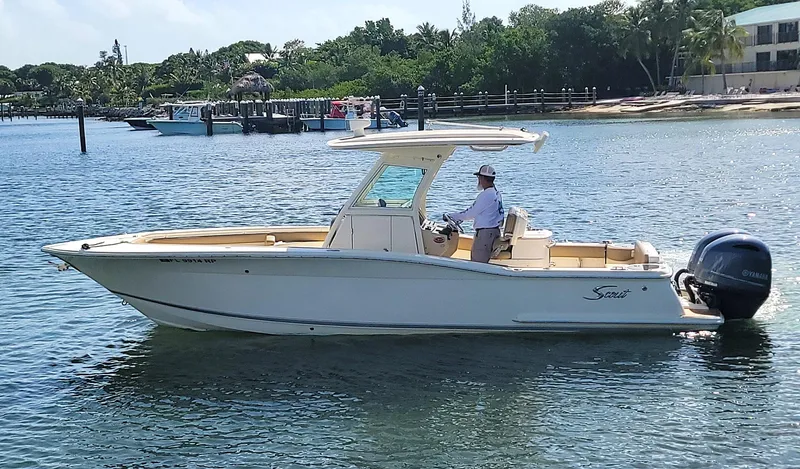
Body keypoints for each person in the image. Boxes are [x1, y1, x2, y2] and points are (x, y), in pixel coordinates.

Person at [446, 165, 504, 263]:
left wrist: (452, 216)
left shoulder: (486, 195)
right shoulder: (496, 193)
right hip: (493, 232)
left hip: (485, 235)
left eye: (479, 177)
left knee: (478, 264)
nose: (478, 180)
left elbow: (470, 214)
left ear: (482, 179)